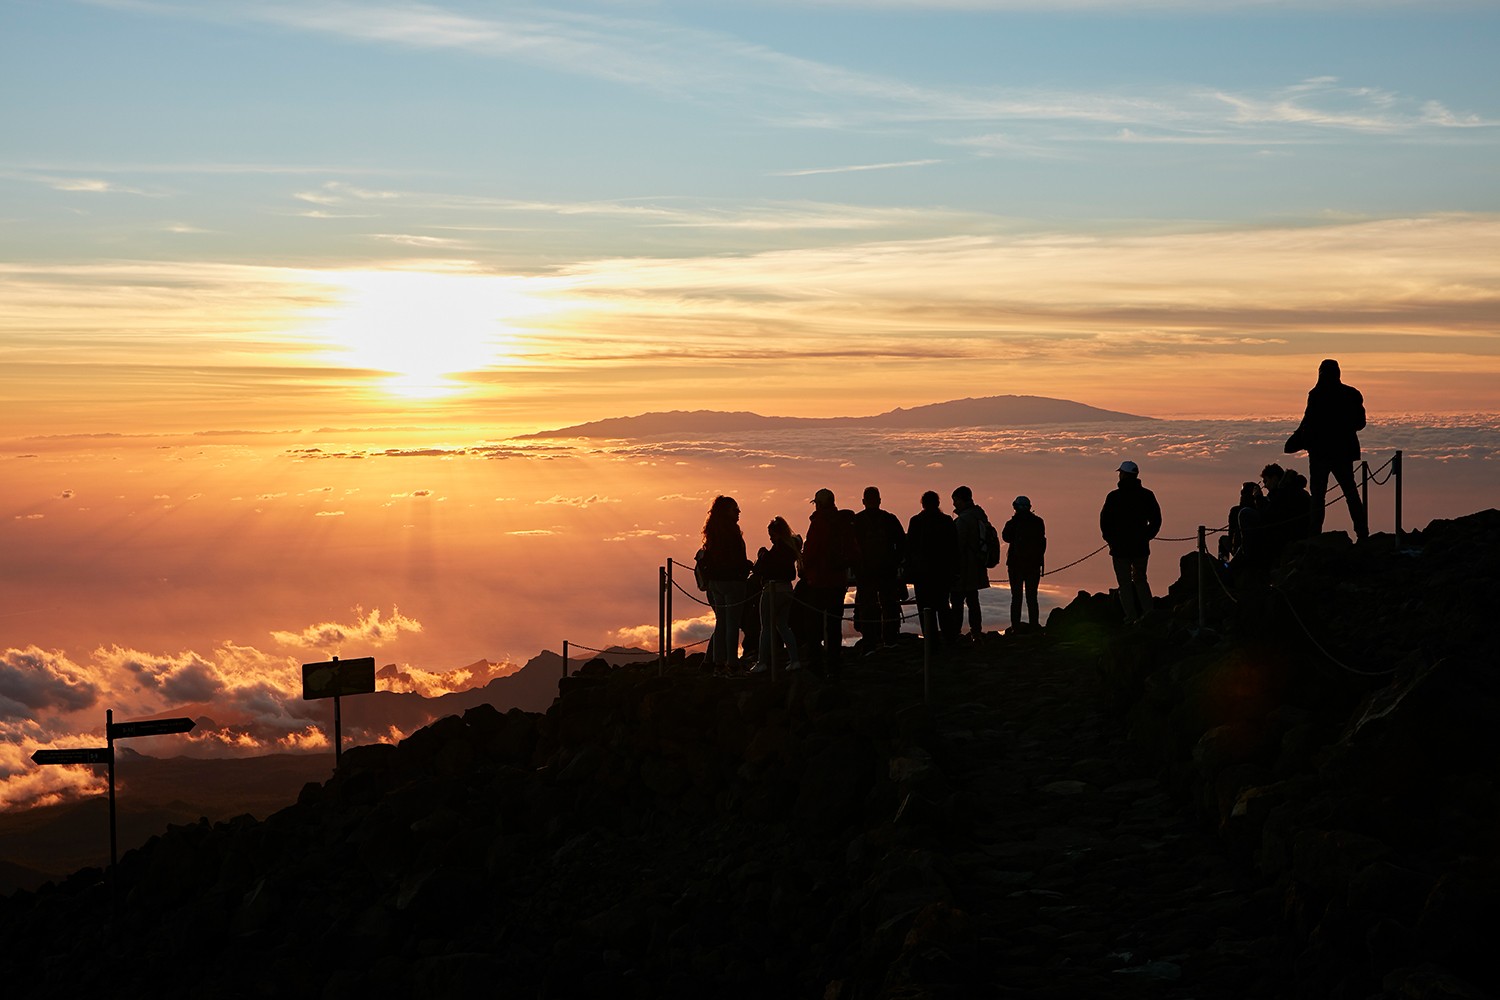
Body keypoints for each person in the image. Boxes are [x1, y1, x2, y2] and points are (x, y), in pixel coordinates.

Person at [1286, 359, 1369, 541]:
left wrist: (1297, 439)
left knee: (1318, 498)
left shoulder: (1316, 394)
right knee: (1351, 494)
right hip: (1343, 453)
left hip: (1319, 454)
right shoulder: (1352, 394)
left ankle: (1314, 537)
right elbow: (1360, 423)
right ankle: (1363, 534)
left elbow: (1308, 421)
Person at [800, 488, 859, 678]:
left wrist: (803, 566)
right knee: (834, 625)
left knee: (814, 626)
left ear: (819, 504)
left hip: (818, 581)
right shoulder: (843, 522)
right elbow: (853, 550)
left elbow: (811, 551)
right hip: (838, 580)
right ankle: (834, 664)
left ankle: (816, 666)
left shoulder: (819, 523)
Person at [1099, 460, 1162, 625]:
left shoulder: (1114, 496)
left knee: (1124, 583)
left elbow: (1105, 521)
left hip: (1120, 548)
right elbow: (1156, 520)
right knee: (1141, 580)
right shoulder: (1147, 495)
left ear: (1124, 475)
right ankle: (1149, 614)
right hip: (1140, 546)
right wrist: (1147, 536)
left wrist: (1110, 539)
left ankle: (1131, 617)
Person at [697, 495, 752, 672]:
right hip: (733, 582)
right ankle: (732, 662)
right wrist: (747, 566)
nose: (738, 512)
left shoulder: (712, 532)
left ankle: (718, 662)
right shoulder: (732, 533)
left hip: (715, 583)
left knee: (721, 623)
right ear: (726, 512)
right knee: (732, 623)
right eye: (735, 509)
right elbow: (736, 559)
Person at [852, 486, 907, 648]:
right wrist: (895, 561)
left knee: (867, 606)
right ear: (880, 501)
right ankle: (890, 639)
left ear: (863, 501)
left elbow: (851, 546)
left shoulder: (857, 521)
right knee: (889, 605)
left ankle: (870, 640)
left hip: (865, 572)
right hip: (887, 570)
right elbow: (902, 544)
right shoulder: (890, 519)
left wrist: (858, 565)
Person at [903, 490, 958, 645]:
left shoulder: (916, 521)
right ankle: (950, 639)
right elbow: (954, 548)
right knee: (943, 606)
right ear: (938, 503)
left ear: (923, 504)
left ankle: (930, 642)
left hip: (922, 574)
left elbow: (909, 549)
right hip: (943, 572)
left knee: (925, 609)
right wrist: (955, 570)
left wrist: (910, 570)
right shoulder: (947, 521)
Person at [751, 516, 802, 673]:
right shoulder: (791, 549)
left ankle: (762, 662)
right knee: (783, 626)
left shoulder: (775, 551)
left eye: (772, 535)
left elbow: (759, 569)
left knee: (766, 627)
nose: (771, 539)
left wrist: (762, 556)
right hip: (787, 590)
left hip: (772, 590)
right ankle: (795, 660)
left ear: (777, 534)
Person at [949, 486, 992, 639]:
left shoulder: (963, 520)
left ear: (962, 500)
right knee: (973, 600)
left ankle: (955, 632)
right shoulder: (980, 515)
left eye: (956, 501)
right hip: (977, 565)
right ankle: (976, 631)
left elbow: (957, 546)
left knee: (957, 601)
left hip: (963, 567)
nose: (954, 505)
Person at [1001, 495, 1046, 631]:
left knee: (1016, 597)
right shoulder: (1038, 522)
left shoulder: (1013, 523)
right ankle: (1034, 625)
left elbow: (1005, 537)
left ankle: (1015, 627)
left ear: (1015, 507)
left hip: (1016, 564)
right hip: (1033, 564)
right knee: (1032, 596)